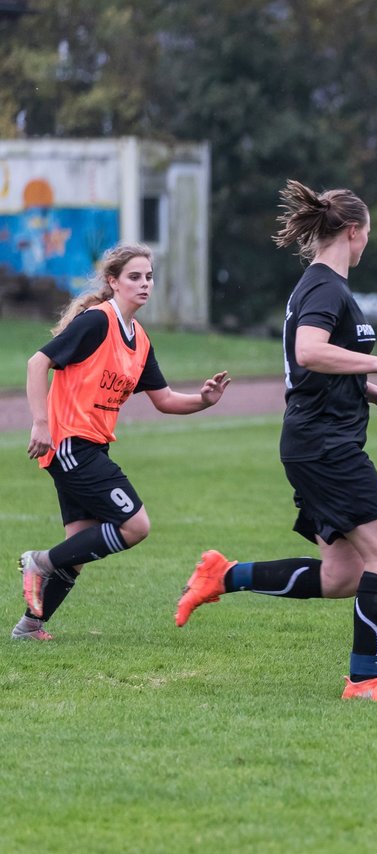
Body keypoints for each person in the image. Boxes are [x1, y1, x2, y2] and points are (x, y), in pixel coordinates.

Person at [174, 179, 377, 703]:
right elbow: (310, 352)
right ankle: (364, 679)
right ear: (353, 232)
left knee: (342, 576)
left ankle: (225, 575)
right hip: (325, 446)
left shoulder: (327, 286)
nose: (367, 245)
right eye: (368, 236)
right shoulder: (324, 287)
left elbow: (320, 367)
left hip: (318, 439)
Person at [14, 242, 230, 641]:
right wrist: (40, 423)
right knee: (135, 525)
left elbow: (164, 400)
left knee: (77, 549)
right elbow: (36, 362)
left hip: (91, 446)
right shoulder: (98, 322)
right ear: (113, 283)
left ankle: (30, 626)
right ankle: (38, 563)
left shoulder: (141, 339)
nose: (144, 284)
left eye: (148, 277)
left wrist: (203, 400)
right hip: (70, 444)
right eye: (134, 277)